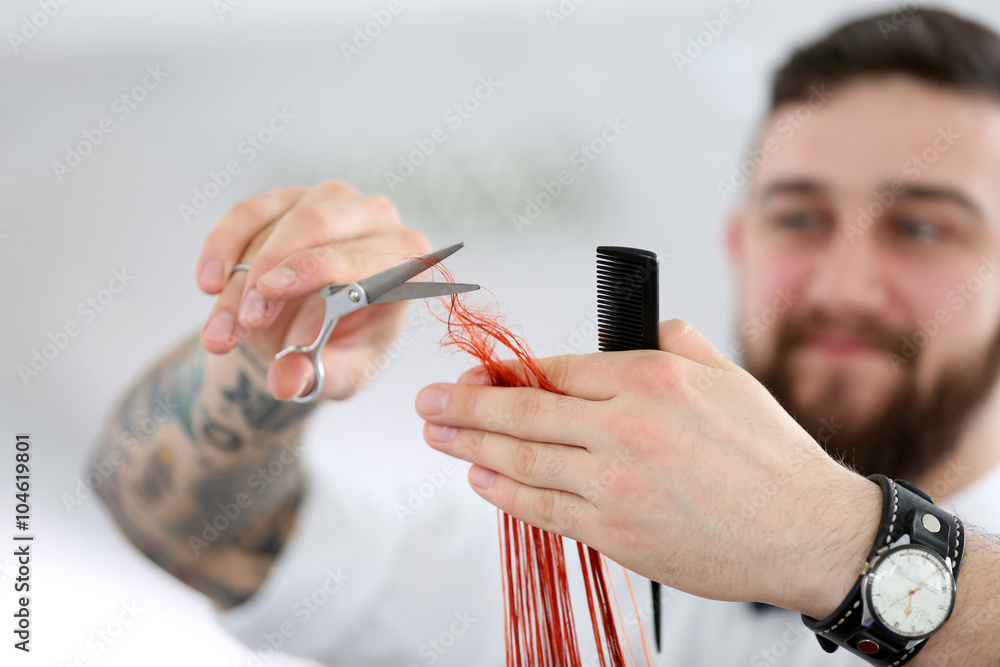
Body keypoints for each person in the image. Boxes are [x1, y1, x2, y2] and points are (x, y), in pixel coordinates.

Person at [93, 7, 1000, 666]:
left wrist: (835, 543)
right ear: (742, 243)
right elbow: (184, 520)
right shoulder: (548, 552)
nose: (841, 281)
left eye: (922, 228)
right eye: (798, 218)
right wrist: (262, 367)